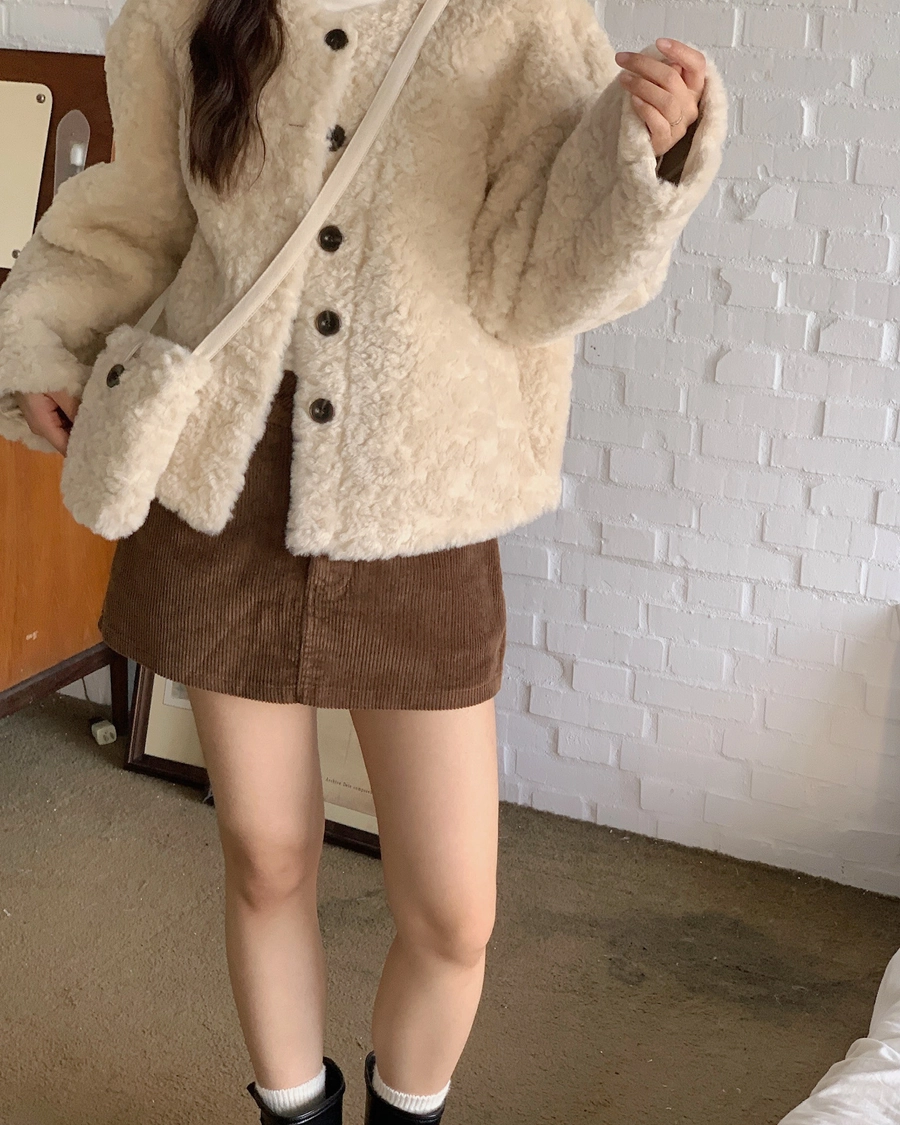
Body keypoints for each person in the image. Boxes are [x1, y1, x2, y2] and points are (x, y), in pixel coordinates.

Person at [0, 0, 729, 1118]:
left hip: (419, 499)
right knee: (265, 853)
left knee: (455, 913)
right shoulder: (183, 9)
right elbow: (141, 213)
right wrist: (49, 338)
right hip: (225, 485)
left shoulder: (518, 15)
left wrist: (645, 158)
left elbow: (535, 280)